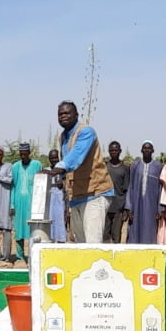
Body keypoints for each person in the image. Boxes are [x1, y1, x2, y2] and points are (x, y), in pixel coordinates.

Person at [49, 100, 111, 242]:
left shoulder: (86, 132)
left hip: (94, 194)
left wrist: (58, 168)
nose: (63, 116)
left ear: (76, 115)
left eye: (67, 113)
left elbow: (76, 155)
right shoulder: (63, 137)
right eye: (60, 114)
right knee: (80, 243)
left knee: (93, 242)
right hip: (76, 196)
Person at [125, 142, 163, 245]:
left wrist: (160, 208)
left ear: (153, 151)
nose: (147, 150)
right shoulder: (135, 165)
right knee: (134, 229)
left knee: (150, 228)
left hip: (152, 207)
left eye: (149, 148)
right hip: (136, 205)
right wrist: (129, 207)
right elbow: (131, 186)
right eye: (145, 148)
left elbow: (161, 188)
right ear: (141, 150)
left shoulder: (158, 166)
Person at [9, 143, 43, 258]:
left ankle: (33, 255)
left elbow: (41, 184)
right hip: (19, 203)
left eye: (25, 154)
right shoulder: (15, 167)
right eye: (21, 154)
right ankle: (20, 256)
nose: (23, 156)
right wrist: (12, 205)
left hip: (32, 203)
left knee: (32, 230)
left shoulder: (37, 165)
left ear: (29, 153)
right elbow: (13, 186)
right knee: (18, 230)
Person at [104, 141, 131, 243]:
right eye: (112, 150)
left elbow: (127, 190)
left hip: (118, 207)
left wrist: (126, 209)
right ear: (109, 152)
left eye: (116, 150)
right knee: (104, 235)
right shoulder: (105, 167)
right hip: (105, 206)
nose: (114, 152)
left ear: (120, 151)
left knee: (116, 236)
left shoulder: (125, 168)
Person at [45, 149, 68, 243]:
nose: (54, 160)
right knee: (50, 221)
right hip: (49, 200)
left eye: (55, 158)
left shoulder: (64, 171)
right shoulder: (46, 170)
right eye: (51, 158)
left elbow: (69, 185)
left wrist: (63, 183)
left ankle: (61, 241)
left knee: (60, 221)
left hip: (60, 200)